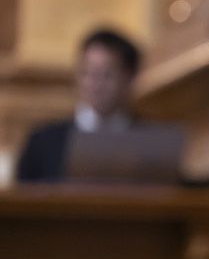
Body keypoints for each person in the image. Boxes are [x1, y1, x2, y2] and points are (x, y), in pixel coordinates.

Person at [16, 28, 141, 182]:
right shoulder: (43, 143)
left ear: (129, 78)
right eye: (88, 72)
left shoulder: (152, 143)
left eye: (107, 74)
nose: (96, 84)